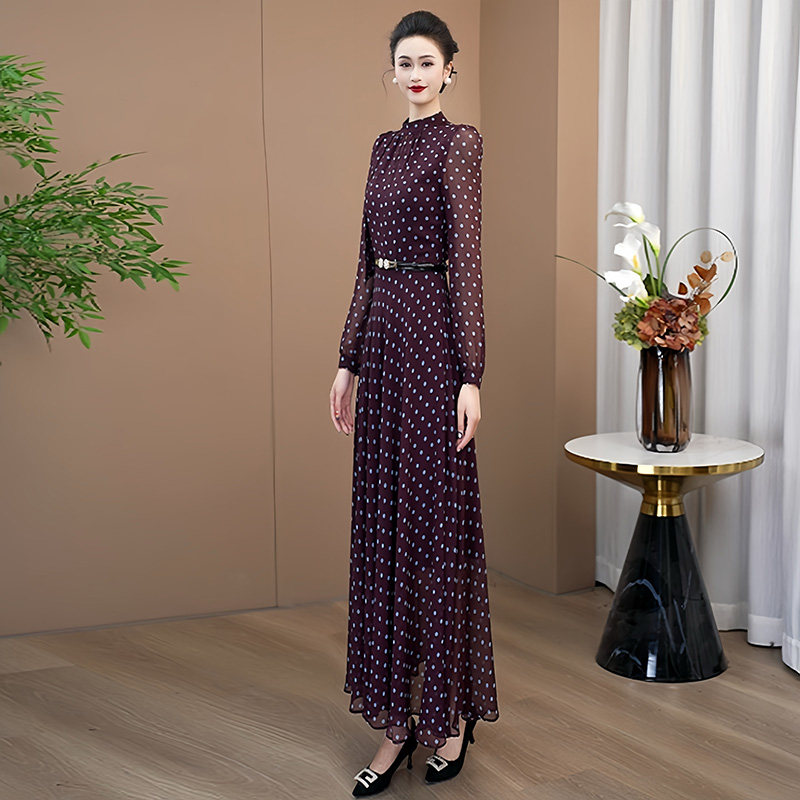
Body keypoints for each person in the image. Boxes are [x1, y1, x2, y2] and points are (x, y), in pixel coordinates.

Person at [328, 10, 499, 796]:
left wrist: (471, 374)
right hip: (385, 347)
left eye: (428, 61)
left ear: (449, 69)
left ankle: (450, 717)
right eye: (405, 62)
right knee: (385, 532)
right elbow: (366, 261)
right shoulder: (381, 148)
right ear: (391, 72)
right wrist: (347, 361)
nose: (417, 74)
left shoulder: (458, 143)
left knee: (434, 531)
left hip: (433, 342)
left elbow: (466, 259)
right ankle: (395, 724)